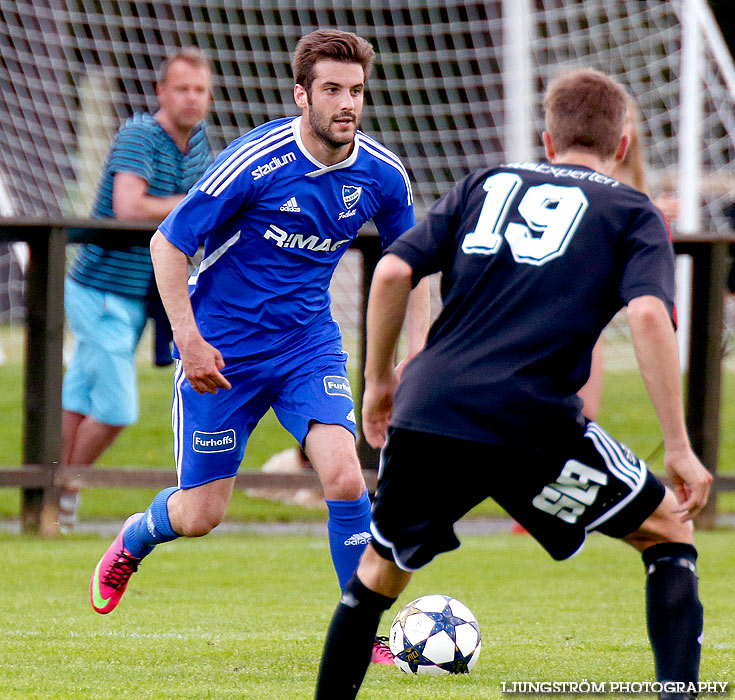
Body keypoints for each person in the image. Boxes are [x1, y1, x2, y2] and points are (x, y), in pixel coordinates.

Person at [313, 69, 712, 700]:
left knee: (375, 579)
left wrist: (379, 382)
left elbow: (391, 270)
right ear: (625, 144)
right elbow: (646, 315)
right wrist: (680, 447)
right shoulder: (632, 212)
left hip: (429, 410)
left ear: (548, 140)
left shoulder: (486, 183)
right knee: (668, 529)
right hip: (531, 425)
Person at [88, 29, 430, 666]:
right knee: (200, 515)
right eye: (331, 89)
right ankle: (137, 536)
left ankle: (365, 637)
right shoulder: (258, 160)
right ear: (302, 95)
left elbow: (409, 266)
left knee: (345, 474)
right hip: (221, 355)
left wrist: (418, 351)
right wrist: (187, 339)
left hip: (307, 347)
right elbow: (168, 243)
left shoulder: (382, 174)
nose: (346, 103)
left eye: (355, 90)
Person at [60, 48, 214, 531]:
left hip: (138, 295)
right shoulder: (140, 134)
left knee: (79, 398)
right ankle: (64, 488)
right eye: (182, 88)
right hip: (100, 288)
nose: (191, 98)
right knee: (118, 407)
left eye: (200, 90)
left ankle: (48, 505)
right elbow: (129, 207)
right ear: (161, 93)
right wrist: (194, 203)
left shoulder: (201, 144)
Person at [577, 99, 678, 420]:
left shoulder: (635, 177)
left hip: (607, 291)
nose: (626, 129)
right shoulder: (592, 176)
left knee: (585, 405)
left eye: (630, 121)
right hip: (580, 290)